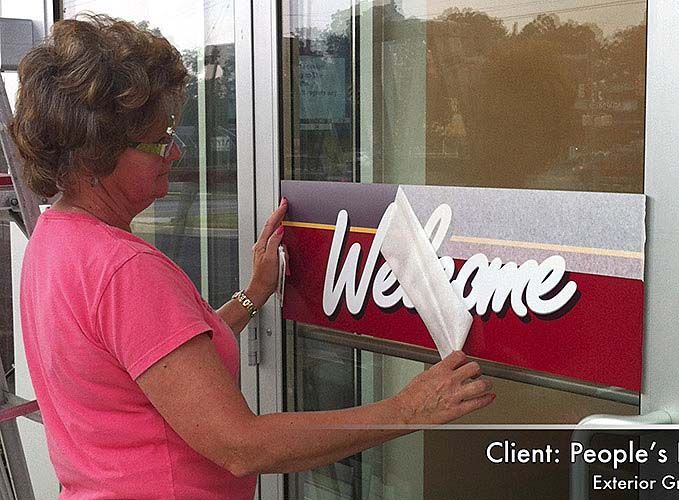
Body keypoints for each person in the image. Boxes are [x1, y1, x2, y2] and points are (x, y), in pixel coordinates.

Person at [10, 14, 495, 499]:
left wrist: (253, 294)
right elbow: (240, 445)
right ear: (97, 154)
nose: (175, 152)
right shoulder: (126, 270)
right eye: (159, 140)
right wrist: (405, 409)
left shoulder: (55, 241)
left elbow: (158, 361)